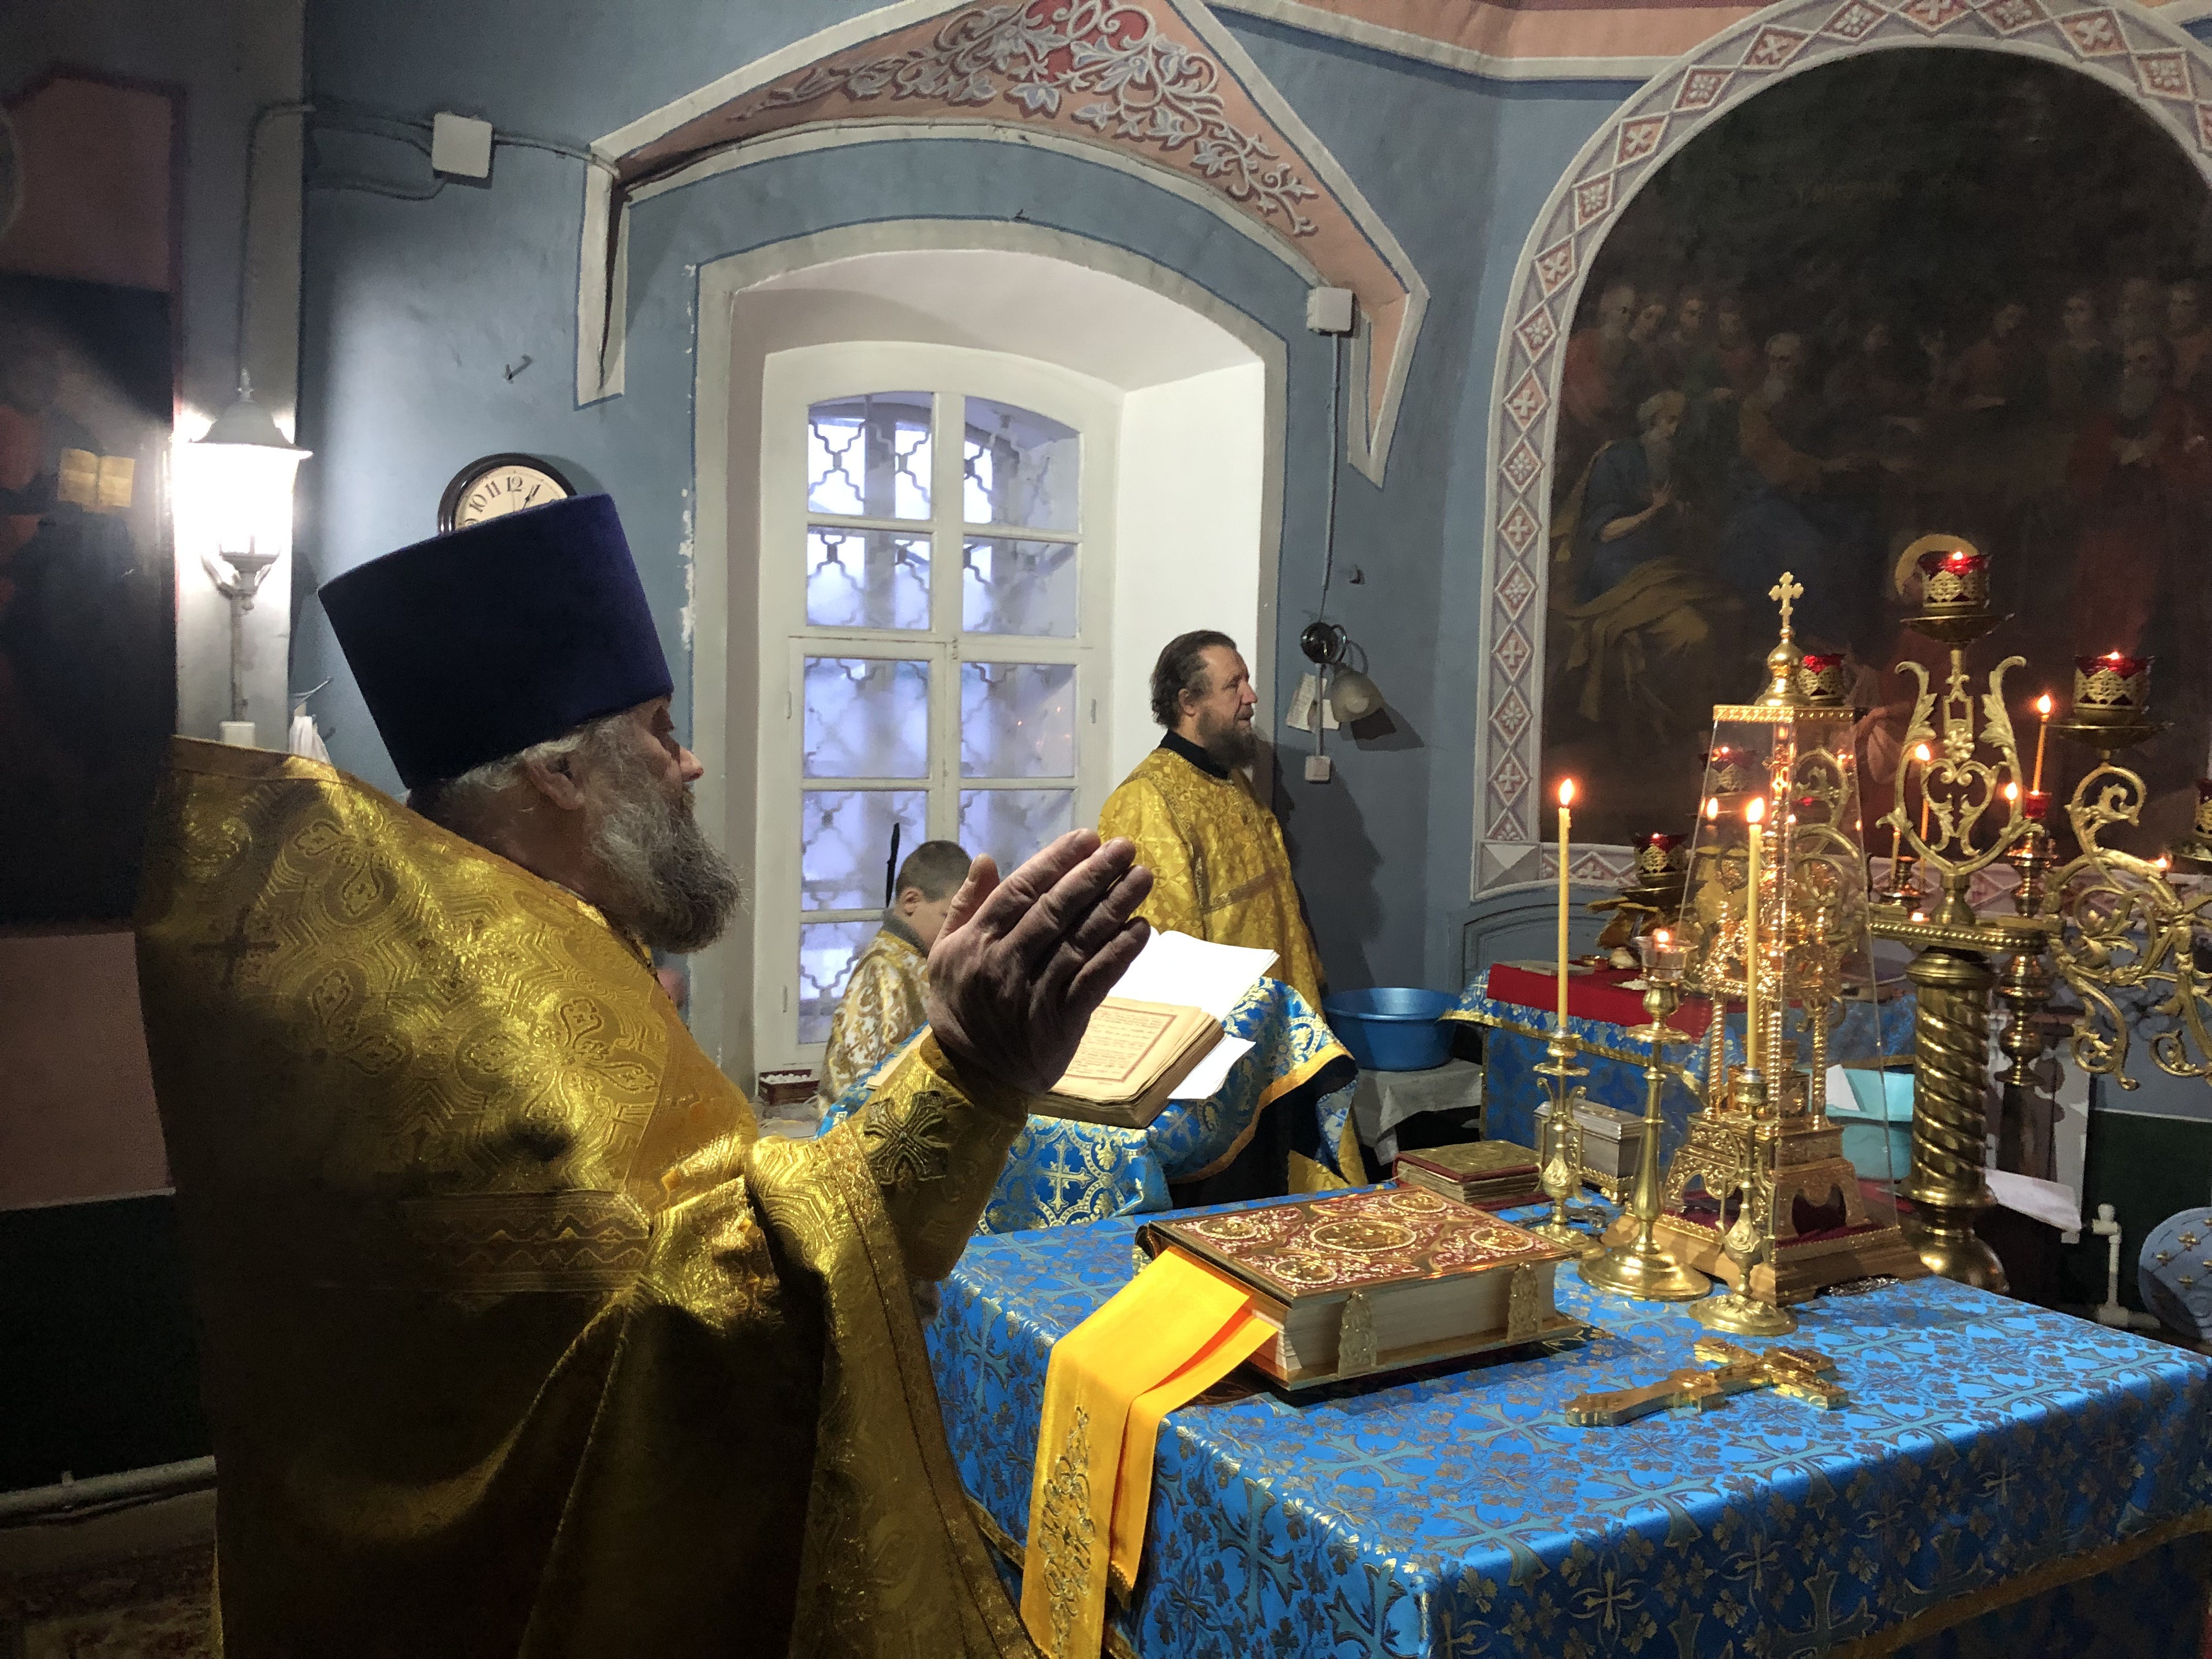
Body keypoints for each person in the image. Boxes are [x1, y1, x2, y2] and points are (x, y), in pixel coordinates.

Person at [135, 494, 1152, 1657]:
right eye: (660, 730)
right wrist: (968, 1072)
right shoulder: (501, 1013)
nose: (689, 761)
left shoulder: (440, 929)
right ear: (562, 774)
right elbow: (719, 1313)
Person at [1098, 630, 1323, 1008]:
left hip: (1277, 1003)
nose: (1251, 696)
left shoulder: (1231, 778)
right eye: (1234, 685)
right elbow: (1165, 949)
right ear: (1188, 702)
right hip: (1222, 1021)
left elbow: (1278, 897)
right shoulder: (1144, 801)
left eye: (1247, 681)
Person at [816, 838, 973, 1107]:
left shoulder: (921, 960)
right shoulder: (883, 969)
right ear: (911, 901)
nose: (958, 930)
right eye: (948, 916)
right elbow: (873, 1081)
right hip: (862, 1123)